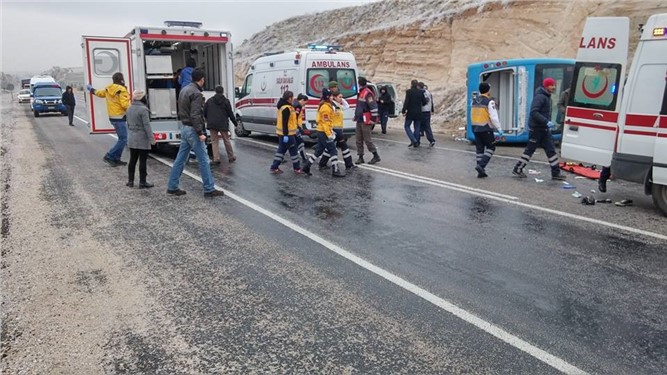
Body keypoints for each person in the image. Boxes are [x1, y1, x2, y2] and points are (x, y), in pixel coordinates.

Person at [166, 69, 224, 197]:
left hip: (185, 128)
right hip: (193, 129)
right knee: (204, 160)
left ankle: (172, 186)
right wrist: (200, 132)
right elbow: (195, 114)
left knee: (180, 159)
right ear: (202, 79)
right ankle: (209, 188)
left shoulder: (184, 90)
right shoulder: (196, 93)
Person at [512, 77, 566, 180]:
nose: (553, 87)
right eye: (551, 85)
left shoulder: (546, 96)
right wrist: (546, 122)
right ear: (546, 86)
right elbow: (534, 112)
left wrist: (547, 124)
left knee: (551, 151)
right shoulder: (541, 97)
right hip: (537, 129)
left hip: (543, 129)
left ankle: (556, 173)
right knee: (529, 151)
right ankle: (517, 169)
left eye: (554, 85)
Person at [86, 72, 131, 166]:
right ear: (121, 80)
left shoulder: (108, 88)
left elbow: (99, 93)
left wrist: (91, 89)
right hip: (120, 117)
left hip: (113, 117)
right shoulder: (122, 90)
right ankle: (110, 156)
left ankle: (116, 159)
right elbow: (125, 104)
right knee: (123, 139)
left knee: (121, 138)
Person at [470, 82, 502, 178]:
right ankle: (481, 165)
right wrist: (499, 128)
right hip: (485, 128)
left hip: (475, 127)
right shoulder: (489, 102)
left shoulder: (474, 101)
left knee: (480, 149)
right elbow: (493, 117)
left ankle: (480, 170)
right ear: (488, 90)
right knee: (491, 147)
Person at [311, 88, 345, 177]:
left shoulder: (327, 105)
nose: (332, 97)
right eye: (331, 96)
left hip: (323, 131)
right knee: (333, 150)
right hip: (324, 132)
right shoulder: (326, 107)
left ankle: (306, 167)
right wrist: (330, 134)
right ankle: (335, 170)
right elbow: (326, 123)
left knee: (318, 152)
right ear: (328, 97)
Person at [125, 90, 155, 189]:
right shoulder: (143, 110)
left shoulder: (129, 108)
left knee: (132, 159)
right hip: (142, 138)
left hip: (132, 137)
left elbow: (128, 123)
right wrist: (152, 139)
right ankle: (142, 182)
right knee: (143, 160)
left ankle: (130, 181)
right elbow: (147, 126)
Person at [269, 91, 304, 175]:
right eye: (292, 98)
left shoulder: (284, 107)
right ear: (289, 98)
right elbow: (285, 122)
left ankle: (274, 167)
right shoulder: (287, 108)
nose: (293, 99)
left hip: (283, 133)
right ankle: (297, 168)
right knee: (293, 150)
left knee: (282, 150)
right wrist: (286, 135)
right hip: (287, 134)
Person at [318, 91, 355, 170]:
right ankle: (349, 164)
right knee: (343, 146)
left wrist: (341, 99)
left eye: (342, 97)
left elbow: (347, 106)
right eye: (340, 97)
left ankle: (322, 163)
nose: (341, 99)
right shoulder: (332, 106)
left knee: (330, 147)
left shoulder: (338, 105)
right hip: (334, 129)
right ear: (334, 97)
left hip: (338, 129)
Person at [204, 85, 238, 165]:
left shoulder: (209, 101)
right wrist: (235, 123)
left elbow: (204, 112)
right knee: (226, 140)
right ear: (222, 91)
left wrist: (207, 119)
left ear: (215, 91)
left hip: (212, 123)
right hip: (223, 123)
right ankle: (231, 156)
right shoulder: (226, 101)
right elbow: (230, 113)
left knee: (214, 141)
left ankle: (216, 158)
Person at [354, 77, 380, 164]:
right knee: (358, 140)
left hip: (366, 120)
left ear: (360, 84)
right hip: (360, 119)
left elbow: (373, 107)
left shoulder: (368, 94)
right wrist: (356, 116)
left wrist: (373, 119)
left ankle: (375, 156)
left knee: (367, 140)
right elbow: (359, 106)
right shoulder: (361, 92)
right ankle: (360, 157)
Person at [401, 79, 427, 147]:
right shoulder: (421, 92)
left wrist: (403, 110)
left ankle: (413, 140)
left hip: (410, 112)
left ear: (411, 84)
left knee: (406, 126)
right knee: (417, 127)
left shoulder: (409, 92)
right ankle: (416, 142)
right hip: (418, 112)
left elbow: (406, 102)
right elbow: (424, 102)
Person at [292, 93, 310, 164]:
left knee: (292, 144)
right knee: (300, 143)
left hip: (294, 127)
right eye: (305, 103)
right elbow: (294, 118)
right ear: (302, 100)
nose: (305, 105)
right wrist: (298, 128)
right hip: (295, 128)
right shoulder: (298, 106)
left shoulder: (295, 104)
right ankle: (304, 158)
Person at [418, 82, 436, 147]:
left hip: (422, 111)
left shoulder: (420, 93)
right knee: (427, 126)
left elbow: (421, 102)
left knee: (418, 126)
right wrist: (432, 110)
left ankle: (417, 140)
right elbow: (431, 102)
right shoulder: (429, 93)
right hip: (428, 111)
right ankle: (431, 140)